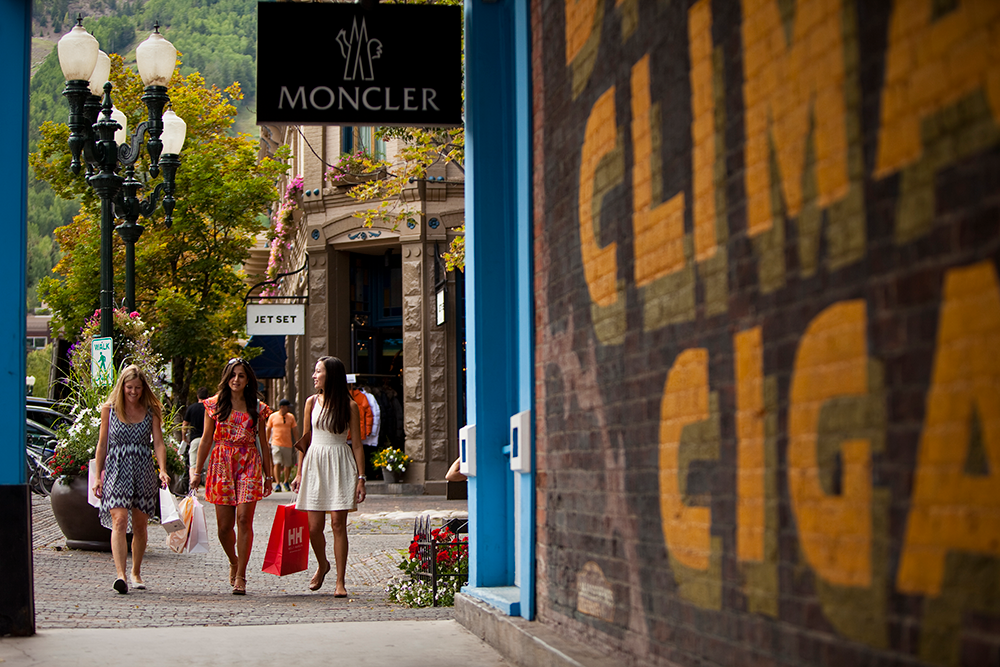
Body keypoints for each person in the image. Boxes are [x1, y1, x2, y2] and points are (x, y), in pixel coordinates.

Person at [190, 358, 275, 595]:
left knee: (244, 519)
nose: (236, 380)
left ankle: (241, 575)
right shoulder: (213, 405)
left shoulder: (257, 407)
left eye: (241, 376)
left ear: (248, 380)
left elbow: (264, 444)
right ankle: (233, 560)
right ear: (226, 378)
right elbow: (206, 439)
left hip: (249, 461)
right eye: (233, 375)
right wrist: (197, 472)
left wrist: (269, 476)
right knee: (223, 528)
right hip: (221, 464)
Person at [92, 364, 171, 595]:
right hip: (117, 468)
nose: (133, 392)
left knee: (139, 524)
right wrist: (98, 477)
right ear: (122, 387)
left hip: (143, 468)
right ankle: (121, 575)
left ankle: (136, 571)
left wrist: (162, 469)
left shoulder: (151, 410)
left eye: (137, 387)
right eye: (129, 387)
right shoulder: (109, 409)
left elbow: (158, 442)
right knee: (119, 520)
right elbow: (102, 443)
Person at [291, 356, 366, 597]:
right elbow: (305, 440)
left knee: (337, 524)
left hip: (340, 462)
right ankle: (323, 564)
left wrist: (361, 477)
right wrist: (299, 472)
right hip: (315, 462)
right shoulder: (311, 402)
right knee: (314, 528)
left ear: (330, 375)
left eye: (317, 371)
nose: (314, 376)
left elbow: (357, 444)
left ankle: (340, 582)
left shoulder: (349, 405)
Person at [266, 399, 299, 492]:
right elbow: (268, 429)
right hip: (276, 443)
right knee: (277, 463)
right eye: (287, 406)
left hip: (287, 443)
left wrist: (297, 442)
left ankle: (285, 482)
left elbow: (295, 430)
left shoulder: (291, 417)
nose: (288, 408)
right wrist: (266, 442)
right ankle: (277, 483)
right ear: (282, 407)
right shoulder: (273, 416)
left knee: (287, 464)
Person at [182, 387, 209, 471]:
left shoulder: (191, 408)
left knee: (193, 465)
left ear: (197, 396)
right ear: (208, 396)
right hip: (208, 441)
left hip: (195, 439)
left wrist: (184, 438)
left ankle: (193, 483)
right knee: (209, 467)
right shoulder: (210, 408)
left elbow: (185, 425)